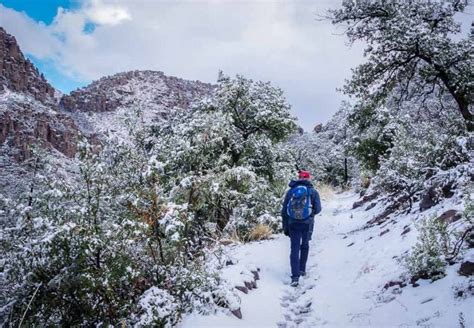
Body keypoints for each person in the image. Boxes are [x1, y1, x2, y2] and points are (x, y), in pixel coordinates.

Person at [281, 170, 321, 287]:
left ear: (298, 178)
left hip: (293, 223)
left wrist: (285, 226)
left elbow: (284, 211)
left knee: (294, 248)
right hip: (307, 223)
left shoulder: (291, 192)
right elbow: (318, 209)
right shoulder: (312, 192)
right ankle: (302, 269)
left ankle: (295, 276)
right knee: (304, 245)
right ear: (308, 178)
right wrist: (310, 213)